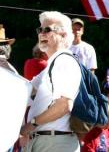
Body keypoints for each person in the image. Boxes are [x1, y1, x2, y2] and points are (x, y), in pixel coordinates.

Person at [20, 11, 82, 152]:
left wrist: (32, 124)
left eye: (47, 29)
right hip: (47, 141)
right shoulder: (53, 64)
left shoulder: (64, 61)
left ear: (63, 35)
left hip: (55, 143)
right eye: (40, 29)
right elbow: (25, 89)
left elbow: (64, 105)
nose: (41, 33)